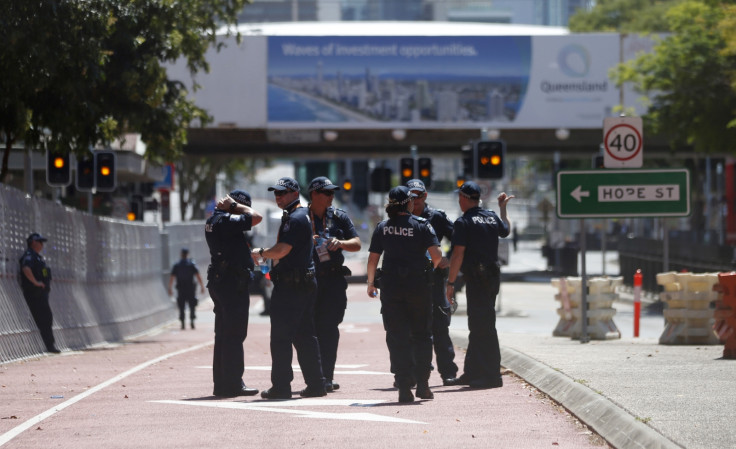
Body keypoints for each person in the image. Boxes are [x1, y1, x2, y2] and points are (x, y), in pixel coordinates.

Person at [250, 176, 326, 400]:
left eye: (282, 193)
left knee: (281, 338)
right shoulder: (298, 215)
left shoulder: (296, 217)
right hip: (301, 283)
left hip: (292, 286)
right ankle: (316, 384)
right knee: (304, 336)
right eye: (276, 193)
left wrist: (261, 252)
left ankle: (281, 386)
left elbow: (282, 249)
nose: (278, 196)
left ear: (295, 193)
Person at [366, 186, 444, 403]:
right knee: (421, 336)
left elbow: (373, 259)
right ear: (409, 203)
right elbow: (437, 257)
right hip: (418, 288)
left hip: (391, 289)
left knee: (397, 337)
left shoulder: (383, 227)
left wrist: (371, 283)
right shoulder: (422, 225)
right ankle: (423, 385)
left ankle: (403, 387)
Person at [444, 182, 514, 389]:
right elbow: (506, 229)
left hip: (476, 278)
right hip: (491, 277)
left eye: (459, 197)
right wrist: (503, 209)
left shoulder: (463, 221)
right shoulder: (491, 216)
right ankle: (472, 372)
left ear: (464, 198)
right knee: (478, 325)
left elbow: (458, 254)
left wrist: (450, 282)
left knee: (484, 327)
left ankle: (492, 376)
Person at [205, 189, 263, 398]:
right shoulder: (228, 219)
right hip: (231, 284)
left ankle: (221, 384)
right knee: (234, 335)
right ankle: (233, 383)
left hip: (222, 281)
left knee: (223, 335)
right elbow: (256, 217)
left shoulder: (215, 220)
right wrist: (234, 207)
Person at [307, 176, 362, 393]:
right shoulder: (300, 217)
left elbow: (356, 243)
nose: (332, 197)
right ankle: (314, 377)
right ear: (314, 194)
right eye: (327, 193)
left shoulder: (339, 217)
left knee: (329, 330)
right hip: (309, 281)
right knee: (308, 331)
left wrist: (341, 243)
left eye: (332, 193)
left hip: (332, 281)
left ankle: (326, 377)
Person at [407, 179, 459, 386]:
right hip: (411, 281)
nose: (415, 200)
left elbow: (458, 239)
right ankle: (415, 372)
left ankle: (448, 372)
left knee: (440, 327)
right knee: (412, 329)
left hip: (434, 280)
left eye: (418, 196)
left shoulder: (436, 217)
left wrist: (447, 257)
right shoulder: (401, 217)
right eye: (410, 197)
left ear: (425, 196)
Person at [19, 233, 59, 353]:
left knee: (47, 318)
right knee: (44, 318)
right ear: (34, 243)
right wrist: (36, 282)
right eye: (40, 242)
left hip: (41, 294)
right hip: (35, 294)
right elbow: (26, 268)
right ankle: (49, 346)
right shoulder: (29, 256)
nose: (42, 245)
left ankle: (49, 345)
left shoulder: (37, 257)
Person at [168, 248, 205, 330]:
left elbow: (172, 277)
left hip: (181, 289)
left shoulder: (177, 265)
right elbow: (198, 276)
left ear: (181, 254)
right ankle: (192, 320)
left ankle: (182, 323)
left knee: (181, 306)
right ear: (187, 254)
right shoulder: (191, 264)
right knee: (192, 305)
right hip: (190, 288)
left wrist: (170, 288)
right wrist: (202, 286)